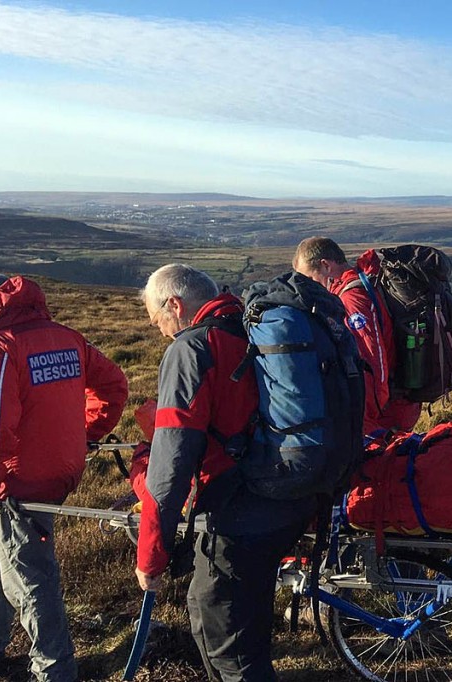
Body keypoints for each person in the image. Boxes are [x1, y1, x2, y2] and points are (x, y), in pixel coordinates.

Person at [134, 264, 317, 682]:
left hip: (239, 515)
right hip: (292, 496)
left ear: (175, 305)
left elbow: (171, 464)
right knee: (230, 619)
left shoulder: (193, 350)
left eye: (158, 319)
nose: (161, 331)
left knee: (232, 649)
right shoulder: (253, 326)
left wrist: (151, 556)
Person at [0, 274, 128, 681]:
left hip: (19, 481)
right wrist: (88, 433)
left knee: (32, 580)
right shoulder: (67, 337)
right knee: (0, 556)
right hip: (61, 470)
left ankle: (55, 670)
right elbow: (115, 384)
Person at [293, 237, 421, 434]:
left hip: (384, 413)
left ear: (326, 265)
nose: (310, 287)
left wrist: (364, 422)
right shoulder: (362, 282)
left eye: (310, 278)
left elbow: (372, 362)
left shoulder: (352, 299)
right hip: (394, 404)